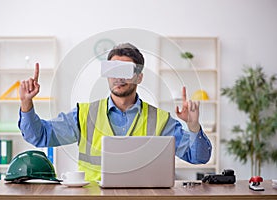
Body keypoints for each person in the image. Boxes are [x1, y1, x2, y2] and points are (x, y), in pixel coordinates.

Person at [18, 43, 212, 181]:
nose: (118, 77)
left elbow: (198, 157)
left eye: (125, 70)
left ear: (139, 77)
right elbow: (40, 136)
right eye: (112, 70)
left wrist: (193, 127)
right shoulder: (83, 114)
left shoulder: (160, 120)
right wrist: (26, 104)